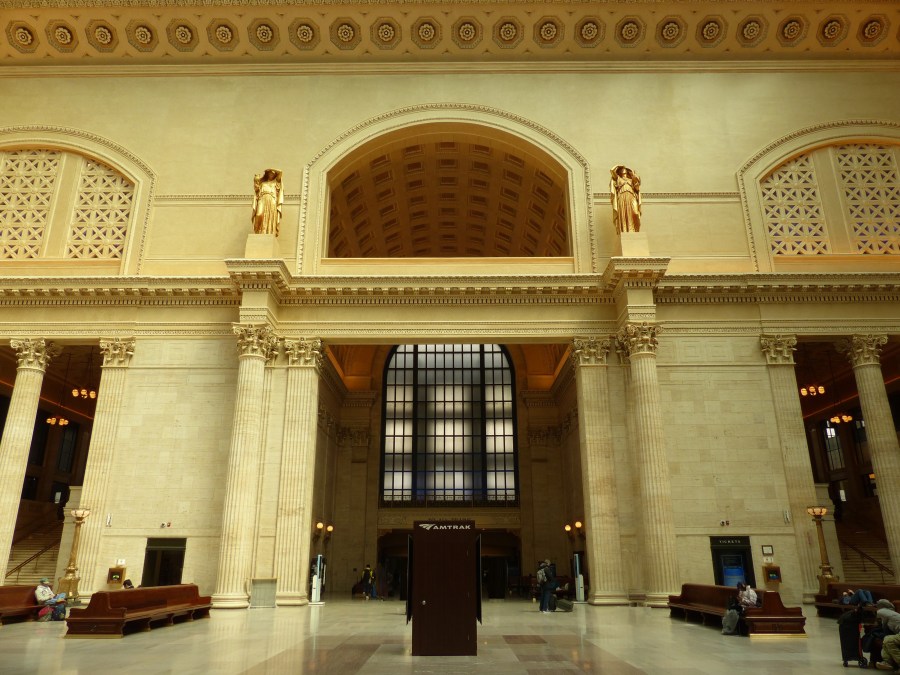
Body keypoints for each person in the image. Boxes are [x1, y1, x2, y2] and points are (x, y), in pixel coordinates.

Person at [609, 164, 641, 233]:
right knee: (623, 213)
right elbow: (612, 171)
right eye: (622, 170)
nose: (624, 170)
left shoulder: (631, 180)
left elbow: (637, 188)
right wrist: (618, 165)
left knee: (635, 212)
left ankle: (634, 229)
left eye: (625, 169)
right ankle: (624, 230)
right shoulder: (618, 178)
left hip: (631, 196)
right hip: (621, 196)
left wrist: (634, 176)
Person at [251, 168, 284, 236]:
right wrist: (256, 180)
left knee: (270, 217)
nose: (271, 174)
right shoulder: (262, 183)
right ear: (267, 174)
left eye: (272, 174)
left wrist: (270, 169)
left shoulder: (276, 182)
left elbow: (280, 172)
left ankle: (269, 232)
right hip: (262, 198)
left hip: (272, 199)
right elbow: (256, 189)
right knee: (259, 214)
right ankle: (258, 231)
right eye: (269, 173)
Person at [876, 600, 900, 671]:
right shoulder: (893, 613)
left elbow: (873, 615)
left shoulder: (883, 611)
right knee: (887, 639)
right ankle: (887, 662)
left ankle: (888, 662)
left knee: (888, 640)